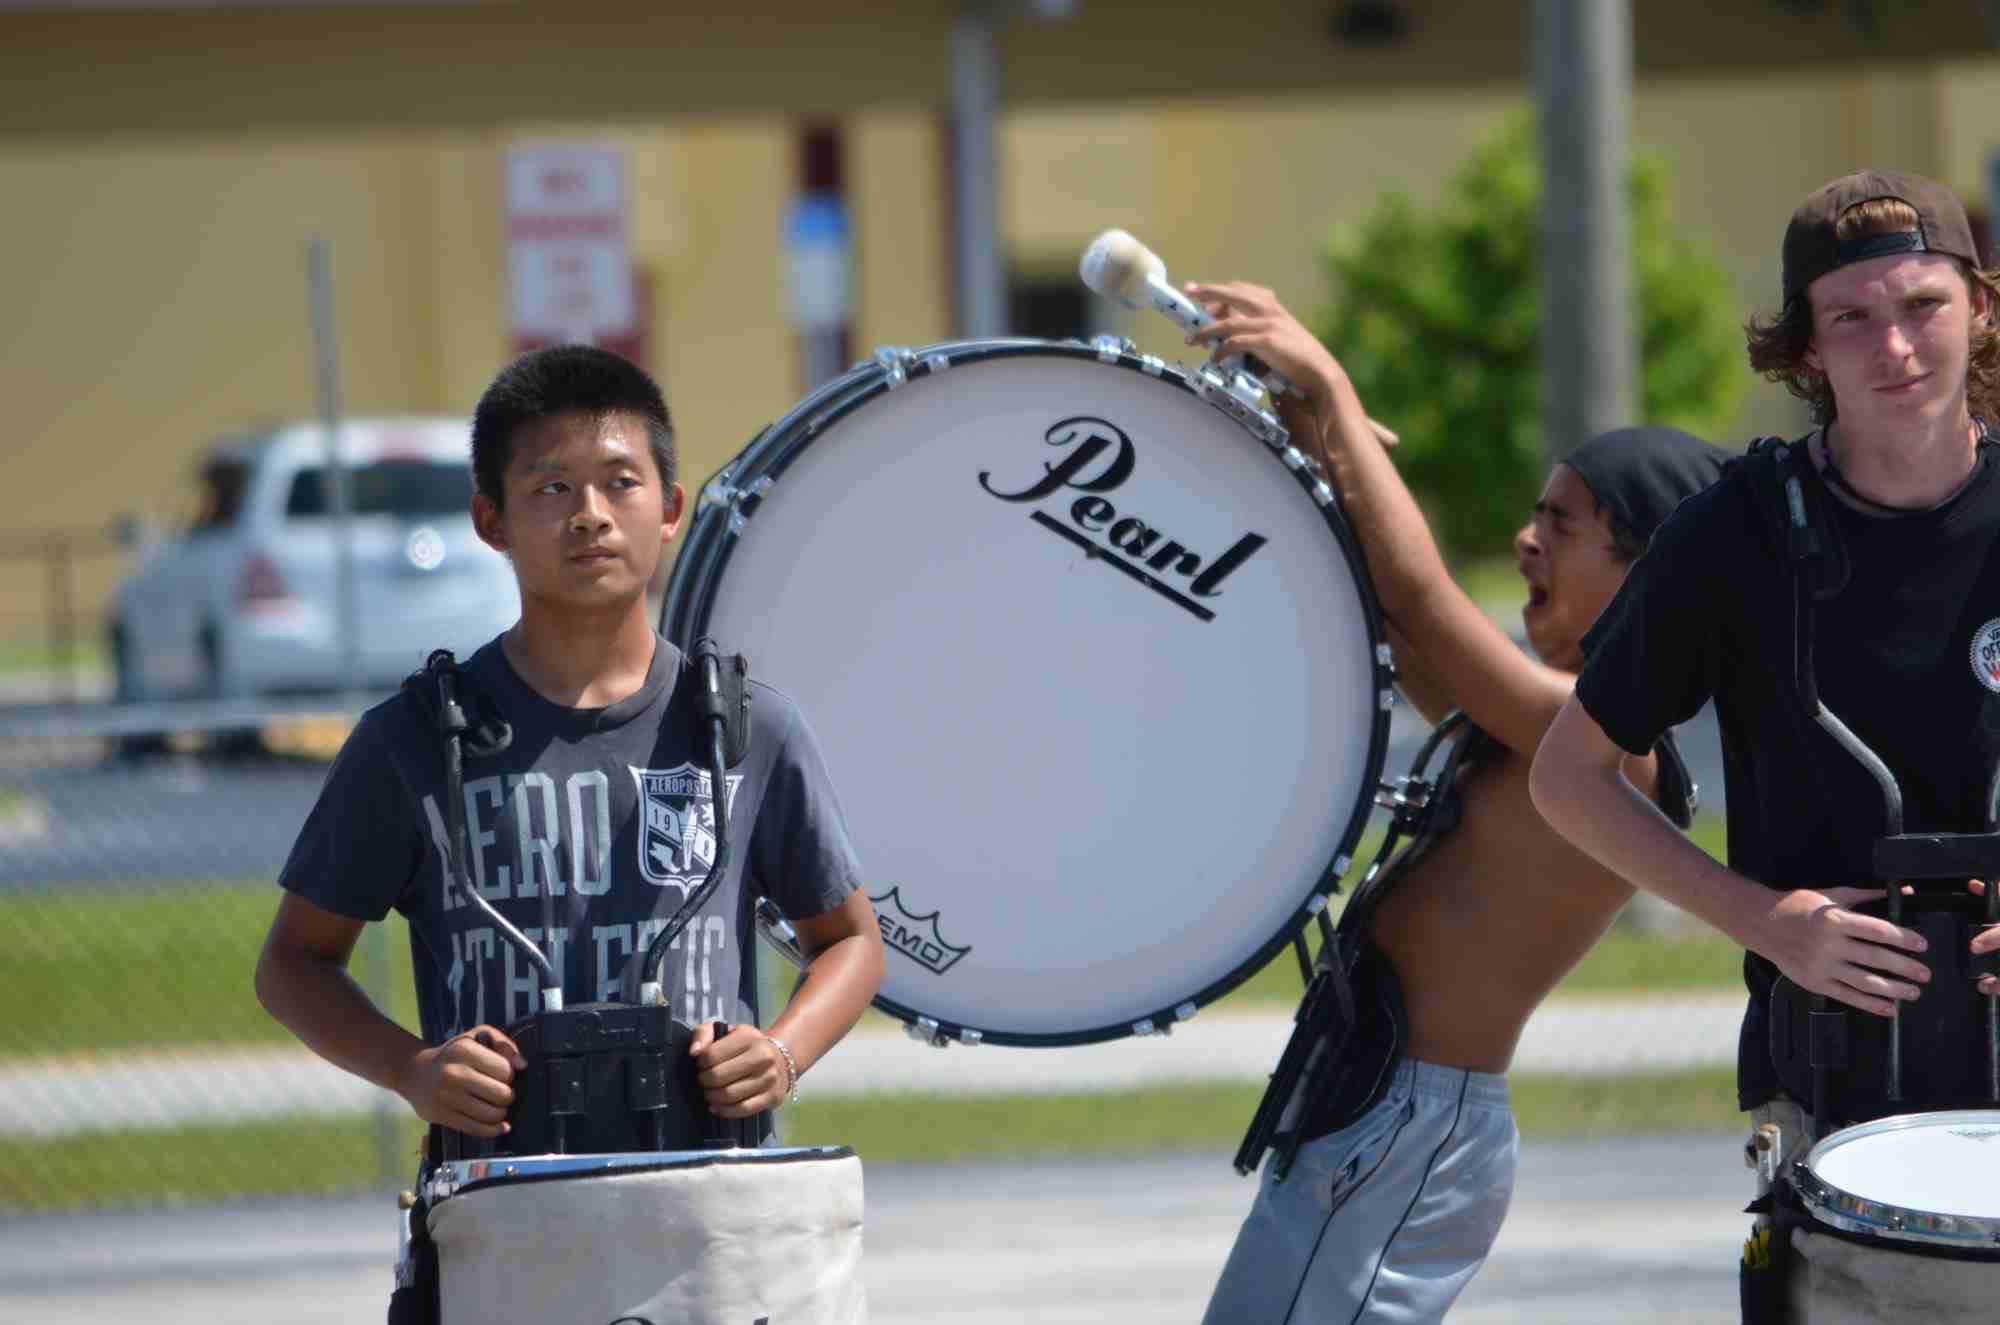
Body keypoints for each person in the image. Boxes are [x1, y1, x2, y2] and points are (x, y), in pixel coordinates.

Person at [1183, 280, 1728, 1324]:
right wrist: (1310, 440)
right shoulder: (1528, 720)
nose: (1525, 541)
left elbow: (1424, 598)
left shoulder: (1609, 747)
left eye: (1560, 525)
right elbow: (1391, 610)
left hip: (1408, 1122)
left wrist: (1335, 392)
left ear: (1648, 573)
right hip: (1371, 1103)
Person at [1529, 170, 2000, 1317]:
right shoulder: (1736, 533)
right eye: (1851, 317)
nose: (1894, 346)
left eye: (1922, 305)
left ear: (1978, 308)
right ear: (1804, 347)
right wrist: (1761, 918)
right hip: (1830, 1082)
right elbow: (1567, 777)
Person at [254, 344, 884, 1148]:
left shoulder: (744, 729)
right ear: (492, 521)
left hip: (709, 1193)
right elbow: (293, 964)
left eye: (621, 482)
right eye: (552, 488)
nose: (590, 513)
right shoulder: (415, 741)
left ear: (670, 509)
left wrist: (783, 1053)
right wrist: (413, 1069)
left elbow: (851, 941)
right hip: (501, 1199)